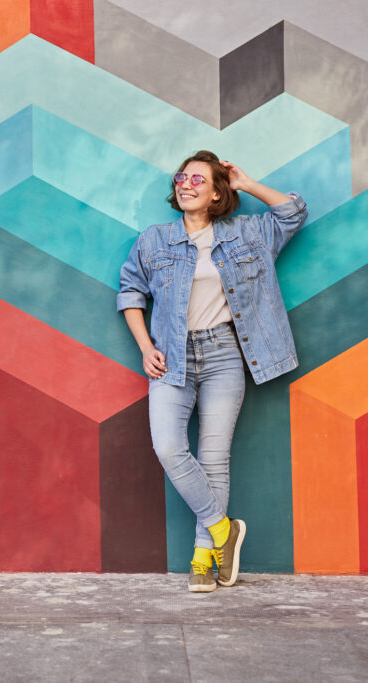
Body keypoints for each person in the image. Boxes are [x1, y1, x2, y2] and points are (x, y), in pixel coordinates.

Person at [117, 150, 308, 592]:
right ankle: (225, 531)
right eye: (182, 177)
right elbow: (130, 293)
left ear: (218, 192)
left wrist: (247, 182)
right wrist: (146, 347)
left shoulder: (248, 233)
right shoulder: (154, 240)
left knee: (213, 459)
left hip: (224, 354)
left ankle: (203, 558)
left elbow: (293, 211)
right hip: (171, 356)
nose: (186, 184)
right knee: (168, 447)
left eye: (198, 180)